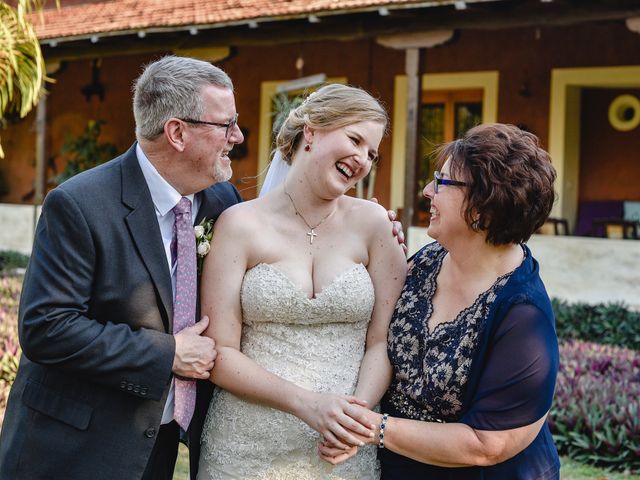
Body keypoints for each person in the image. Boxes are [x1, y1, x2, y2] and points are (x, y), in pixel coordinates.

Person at [0, 56, 244, 480]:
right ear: (177, 132)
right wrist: (169, 353)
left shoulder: (223, 203)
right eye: (226, 125)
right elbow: (47, 326)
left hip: (159, 445)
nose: (237, 137)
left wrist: (355, 222)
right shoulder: (79, 205)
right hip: (72, 449)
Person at [320, 123, 561, 479]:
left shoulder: (523, 315)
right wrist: (370, 243)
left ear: (484, 207)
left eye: (442, 182)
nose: (427, 190)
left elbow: (486, 444)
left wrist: (371, 428)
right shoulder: (426, 261)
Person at [197, 84, 408, 479]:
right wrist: (307, 404)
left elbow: (381, 342)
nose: (362, 159)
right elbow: (221, 353)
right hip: (245, 448)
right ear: (311, 131)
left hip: (343, 451)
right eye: (355, 139)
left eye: (372, 153)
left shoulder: (375, 226)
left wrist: (354, 418)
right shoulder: (239, 225)